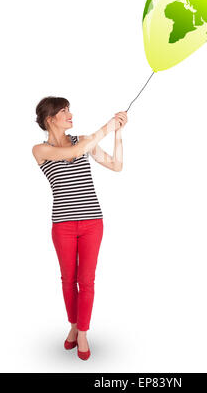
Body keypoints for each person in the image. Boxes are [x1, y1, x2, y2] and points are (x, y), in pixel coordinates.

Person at [32, 96, 127, 360]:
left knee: (86, 281)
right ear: (50, 119)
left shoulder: (82, 140)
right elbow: (73, 154)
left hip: (92, 223)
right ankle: (72, 326)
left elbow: (116, 165)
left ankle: (82, 331)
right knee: (68, 280)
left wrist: (117, 134)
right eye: (64, 111)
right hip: (62, 225)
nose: (70, 114)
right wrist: (106, 127)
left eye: (69, 109)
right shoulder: (40, 150)